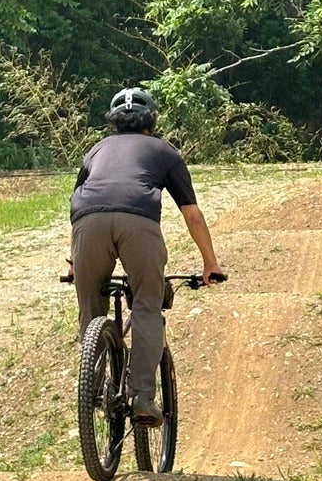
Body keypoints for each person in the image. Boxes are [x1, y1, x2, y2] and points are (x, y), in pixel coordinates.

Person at [66, 86, 225, 424]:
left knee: (91, 307)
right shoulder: (164, 151)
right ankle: (141, 396)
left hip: (87, 225)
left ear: (113, 122)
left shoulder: (95, 151)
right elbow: (191, 213)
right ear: (152, 121)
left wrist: (72, 260)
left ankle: (91, 388)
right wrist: (210, 263)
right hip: (137, 224)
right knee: (147, 306)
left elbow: (79, 202)